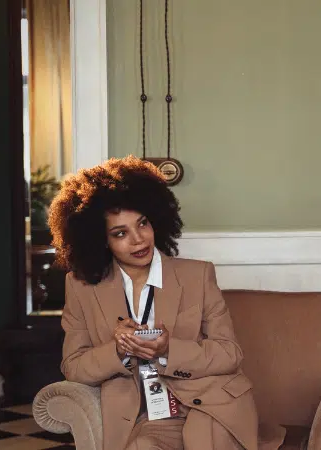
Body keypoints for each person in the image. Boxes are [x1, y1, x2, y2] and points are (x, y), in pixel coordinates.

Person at [48, 156, 284, 450]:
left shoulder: (197, 275)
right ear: (100, 241)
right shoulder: (82, 288)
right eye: (120, 233)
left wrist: (169, 350)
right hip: (154, 417)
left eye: (142, 224)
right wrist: (118, 351)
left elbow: (229, 353)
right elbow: (74, 367)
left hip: (212, 404)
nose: (138, 240)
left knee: (204, 442)